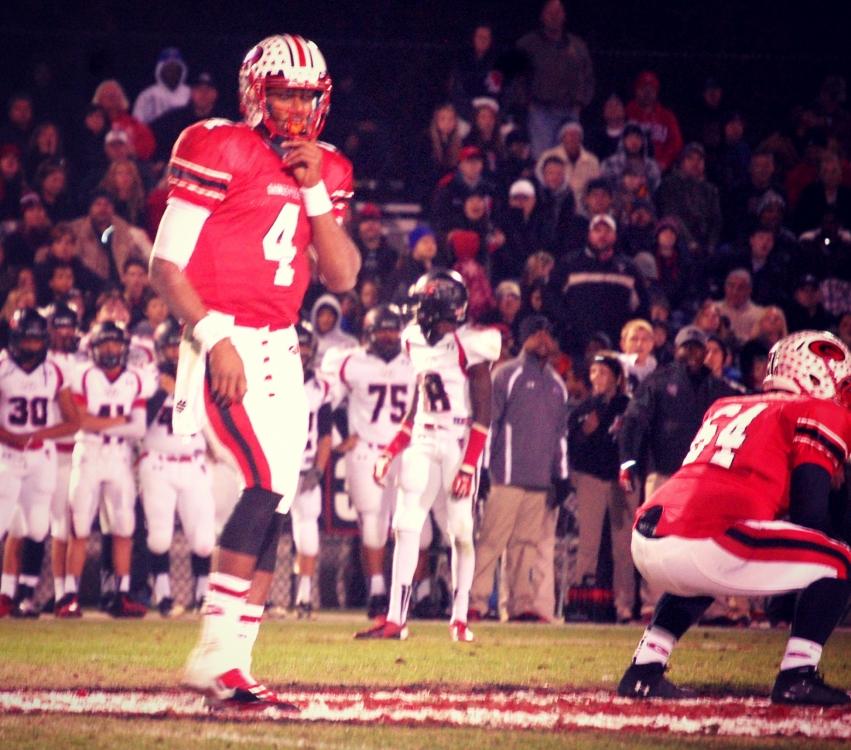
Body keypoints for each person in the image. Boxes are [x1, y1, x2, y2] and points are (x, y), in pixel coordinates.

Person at [149, 33, 359, 709]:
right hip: (225, 338)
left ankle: (234, 667)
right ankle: (213, 652)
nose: (297, 109)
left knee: (272, 501)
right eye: (285, 94)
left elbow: (343, 275)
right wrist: (213, 338)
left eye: (307, 96)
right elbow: (166, 263)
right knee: (264, 482)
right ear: (256, 94)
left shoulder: (327, 168)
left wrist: (315, 192)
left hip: (283, 347)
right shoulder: (218, 145)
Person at [617, 330, 851, 706]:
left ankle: (644, 668)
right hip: (710, 536)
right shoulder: (816, 410)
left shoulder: (727, 404)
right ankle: (798, 675)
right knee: (839, 559)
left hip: (651, 530)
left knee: (699, 576)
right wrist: (796, 588)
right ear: (815, 376)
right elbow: (811, 513)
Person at [356, 269, 500, 642]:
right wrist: (391, 450)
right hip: (422, 437)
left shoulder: (472, 343)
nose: (416, 309)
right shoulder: (412, 340)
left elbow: (484, 413)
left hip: (458, 440)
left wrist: (469, 464)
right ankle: (395, 620)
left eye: (423, 302)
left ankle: (459, 618)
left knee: (461, 532)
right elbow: (419, 404)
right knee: (404, 526)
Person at [618, 324, 739, 616]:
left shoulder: (720, 388)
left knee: (711, 542)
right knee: (658, 540)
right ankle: (652, 602)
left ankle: (715, 608)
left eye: (699, 348)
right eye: (688, 347)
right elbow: (634, 422)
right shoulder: (659, 382)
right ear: (677, 349)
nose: (694, 354)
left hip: (707, 477)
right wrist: (628, 463)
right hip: (665, 473)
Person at [468, 314, 568, 622]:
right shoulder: (506, 374)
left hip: (539, 480)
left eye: (546, 333)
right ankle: (476, 602)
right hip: (505, 476)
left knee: (526, 546)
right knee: (491, 542)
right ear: (524, 338)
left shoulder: (557, 384)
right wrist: (482, 469)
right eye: (535, 333)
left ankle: (521, 604)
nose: (542, 338)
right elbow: (489, 425)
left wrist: (561, 476)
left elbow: (560, 435)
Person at [324, 305, 415, 618]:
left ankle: (417, 593)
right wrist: (340, 437)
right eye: (382, 330)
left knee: (414, 524)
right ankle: (377, 591)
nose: (388, 336)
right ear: (369, 333)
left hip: (407, 450)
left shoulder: (415, 360)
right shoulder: (352, 361)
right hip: (367, 450)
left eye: (393, 329)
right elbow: (326, 401)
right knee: (373, 525)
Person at [58, 321, 149, 619]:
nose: (111, 350)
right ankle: (70, 596)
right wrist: (121, 421)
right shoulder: (83, 376)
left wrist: (109, 422)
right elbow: (82, 421)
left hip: (119, 456)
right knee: (80, 526)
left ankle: (121, 594)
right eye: (104, 345)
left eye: (115, 345)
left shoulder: (135, 379)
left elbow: (139, 427)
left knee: (125, 527)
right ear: (94, 348)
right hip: (88, 454)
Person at [0, 309, 78, 617]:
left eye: (37, 339)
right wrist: (10, 436)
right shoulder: (3, 367)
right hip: (6, 454)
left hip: (40, 456)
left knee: (36, 526)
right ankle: (6, 593)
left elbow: (74, 421)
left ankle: (25, 595)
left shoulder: (54, 371)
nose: (33, 346)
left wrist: (40, 434)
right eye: (28, 339)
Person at [139, 319, 215, 617]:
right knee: (159, 536)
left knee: (205, 540)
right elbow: (138, 424)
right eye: (171, 347)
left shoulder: (203, 377)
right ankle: (164, 595)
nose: (177, 354)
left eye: (181, 347)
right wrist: (163, 393)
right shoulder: (148, 378)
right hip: (158, 462)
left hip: (194, 463)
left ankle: (202, 594)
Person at [567, 351, 636, 623]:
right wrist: (586, 432)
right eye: (594, 372)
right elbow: (572, 448)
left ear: (617, 377)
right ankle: (582, 602)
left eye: (604, 372)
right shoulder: (584, 408)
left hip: (621, 479)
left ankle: (624, 604)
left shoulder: (629, 406)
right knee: (588, 543)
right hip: (591, 479)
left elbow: (636, 440)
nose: (597, 378)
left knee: (624, 546)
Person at [550, 213, 649, 359]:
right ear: (589, 234)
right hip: (575, 347)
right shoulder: (569, 264)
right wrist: (567, 326)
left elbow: (641, 309)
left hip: (616, 348)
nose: (602, 235)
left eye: (607, 231)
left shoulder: (629, 269)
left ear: (615, 235)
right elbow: (552, 299)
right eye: (597, 230)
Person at [290, 320, 333, 618]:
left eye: (306, 346)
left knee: (308, 535)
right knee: (262, 533)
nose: (302, 352)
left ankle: (303, 596)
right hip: (276, 469)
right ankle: (255, 597)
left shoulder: (320, 388)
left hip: (304, 469)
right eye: (298, 345)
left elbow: (326, 434)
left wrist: (318, 470)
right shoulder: (271, 379)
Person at [516, 0, 595, 157]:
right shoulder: (528, 44)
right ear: (542, 16)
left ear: (564, 16)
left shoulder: (577, 45)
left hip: (570, 111)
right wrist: (526, 101)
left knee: (569, 156)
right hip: (541, 111)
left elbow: (588, 77)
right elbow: (516, 77)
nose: (554, 17)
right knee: (543, 157)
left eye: (558, 13)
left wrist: (582, 101)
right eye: (550, 13)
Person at [151, 71, 224, 165]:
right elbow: (153, 139)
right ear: (191, 92)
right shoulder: (174, 119)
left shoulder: (224, 122)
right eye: (199, 89)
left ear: (215, 94)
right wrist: (161, 159)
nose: (203, 93)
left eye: (208, 89)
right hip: (179, 169)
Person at [625, 71, 683, 172]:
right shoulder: (627, 112)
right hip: (630, 169)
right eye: (643, 88)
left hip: (661, 169)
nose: (647, 92)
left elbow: (676, 143)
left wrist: (664, 161)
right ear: (636, 90)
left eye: (651, 89)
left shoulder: (667, 116)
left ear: (656, 92)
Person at [534, 121, 600, 206]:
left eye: (576, 134)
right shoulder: (547, 156)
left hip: (584, 208)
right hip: (555, 203)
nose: (572, 138)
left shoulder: (592, 160)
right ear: (562, 137)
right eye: (569, 134)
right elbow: (540, 181)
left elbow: (594, 187)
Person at [132, 47, 191, 125]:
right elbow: (136, 124)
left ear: (182, 70)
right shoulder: (147, 95)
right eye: (168, 68)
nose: (172, 72)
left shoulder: (190, 93)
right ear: (160, 70)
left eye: (175, 68)